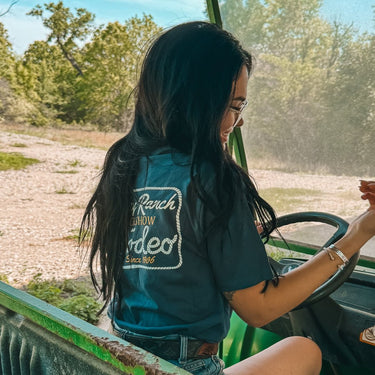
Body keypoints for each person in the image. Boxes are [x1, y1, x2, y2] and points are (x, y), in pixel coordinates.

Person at [80, 21, 375, 375]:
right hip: (187, 365)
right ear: (201, 102)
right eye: (234, 106)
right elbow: (260, 308)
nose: (236, 121)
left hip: (125, 357)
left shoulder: (125, 162)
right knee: (304, 351)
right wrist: (358, 233)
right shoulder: (213, 180)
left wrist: (222, 133)